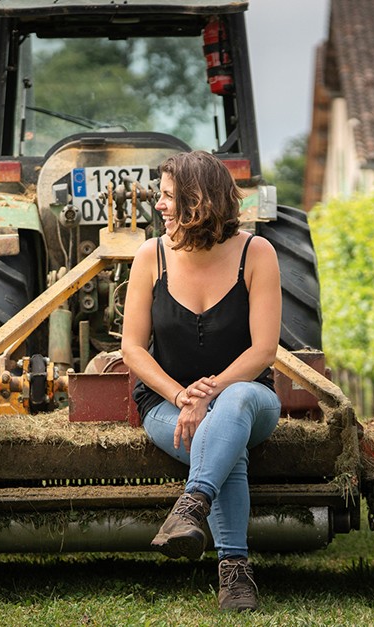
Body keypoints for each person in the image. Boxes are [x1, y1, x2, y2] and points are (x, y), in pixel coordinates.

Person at [122, 150, 282, 612]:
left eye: (169, 196)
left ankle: (191, 504)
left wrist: (209, 393)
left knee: (228, 413)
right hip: (165, 404)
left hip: (247, 396)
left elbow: (263, 351)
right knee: (223, 447)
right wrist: (179, 395)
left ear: (199, 202)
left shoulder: (257, 253)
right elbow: (132, 348)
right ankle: (235, 573)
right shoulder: (149, 256)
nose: (159, 206)